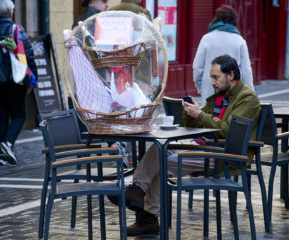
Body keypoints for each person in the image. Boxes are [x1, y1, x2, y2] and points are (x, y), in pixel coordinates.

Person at [109, 55, 261, 236]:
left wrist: (200, 115)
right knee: (159, 149)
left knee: (161, 161)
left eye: (216, 77)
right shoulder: (219, 97)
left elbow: (229, 131)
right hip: (207, 147)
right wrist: (190, 111)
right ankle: (141, 200)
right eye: (211, 77)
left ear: (231, 75)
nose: (212, 82)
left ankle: (144, 209)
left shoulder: (248, 98)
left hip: (227, 156)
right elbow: (197, 124)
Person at [0, 0, 38, 166]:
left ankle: (2, 157)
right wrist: (32, 80)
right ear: (11, 12)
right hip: (14, 81)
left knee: (1, 117)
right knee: (19, 116)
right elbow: (29, 56)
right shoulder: (17, 30)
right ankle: (8, 144)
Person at [193, 4, 254, 107]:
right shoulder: (239, 41)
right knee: (230, 118)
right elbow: (246, 70)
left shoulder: (207, 38)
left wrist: (201, 86)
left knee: (208, 117)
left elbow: (197, 67)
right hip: (232, 87)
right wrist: (250, 94)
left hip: (210, 86)